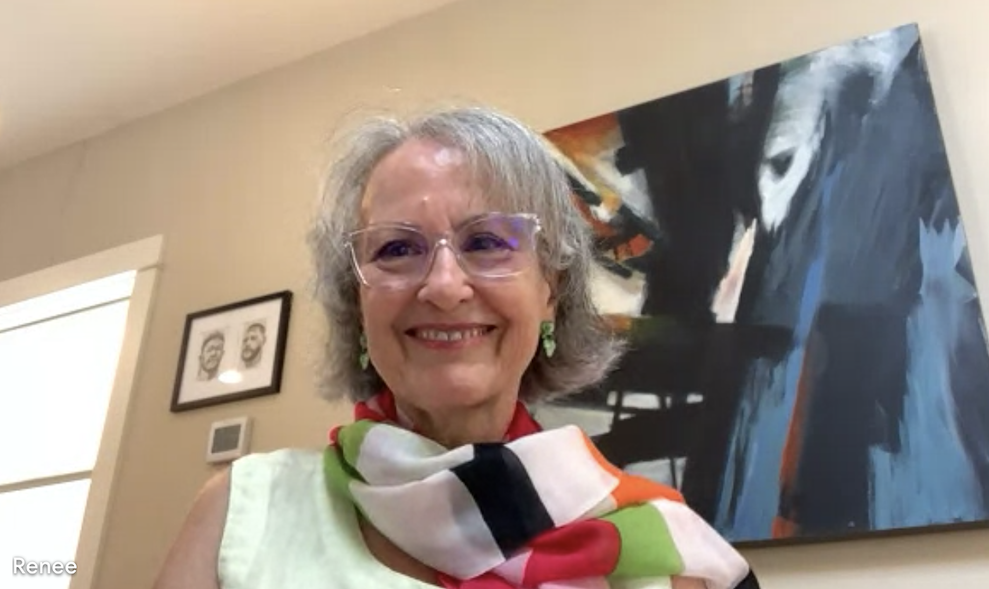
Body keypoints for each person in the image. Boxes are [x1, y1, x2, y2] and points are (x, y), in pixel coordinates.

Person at [153, 105, 761, 589]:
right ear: (358, 309)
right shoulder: (243, 511)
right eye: (396, 249)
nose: (444, 286)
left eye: (488, 242)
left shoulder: (673, 552)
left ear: (551, 289)